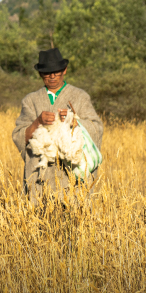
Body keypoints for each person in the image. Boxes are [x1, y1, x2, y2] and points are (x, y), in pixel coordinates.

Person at [12, 48, 103, 205]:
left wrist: (76, 123)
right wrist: (37, 122)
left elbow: (97, 127)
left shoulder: (80, 97)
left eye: (56, 71)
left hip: (73, 179)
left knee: (74, 221)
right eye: (47, 72)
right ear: (40, 74)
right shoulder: (31, 100)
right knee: (39, 222)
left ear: (64, 70)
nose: (52, 76)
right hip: (39, 179)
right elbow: (19, 135)